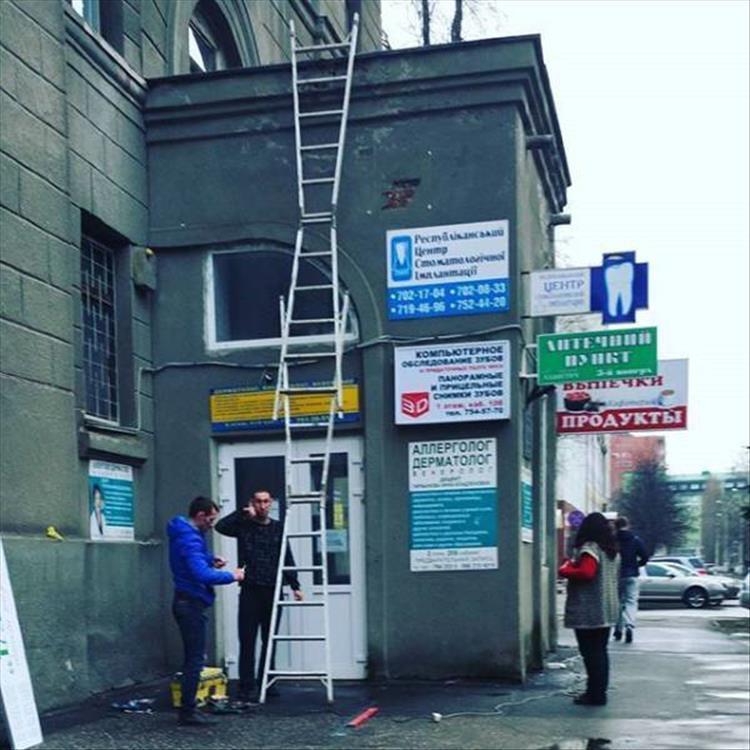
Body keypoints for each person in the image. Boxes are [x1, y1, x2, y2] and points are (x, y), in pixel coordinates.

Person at [215, 489, 303, 703]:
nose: (262, 506)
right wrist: (242, 513)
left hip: (273, 588)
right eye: (258, 502)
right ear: (252, 503)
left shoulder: (278, 527)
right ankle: (246, 686)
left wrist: (295, 585)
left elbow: (286, 555)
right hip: (250, 590)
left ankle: (266, 682)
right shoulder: (244, 526)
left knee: (269, 639)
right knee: (247, 639)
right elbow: (221, 527)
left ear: (271, 503)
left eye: (266, 501)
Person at [167, 496, 245, 726]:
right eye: (210, 520)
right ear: (200, 515)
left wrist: (211, 559)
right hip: (189, 603)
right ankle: (188, 712)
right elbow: (201, 574)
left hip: (186, 602)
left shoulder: (184, 533)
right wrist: (232, 576)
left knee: (193, 658)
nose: (212, 525)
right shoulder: (190, 539)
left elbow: (194, 562)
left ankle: (188, 709)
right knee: (194, 660)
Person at [559, 511, 620, 706]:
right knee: (600, 652)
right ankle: (598, 692)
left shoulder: (590, 548)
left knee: (590, 653)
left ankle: (594, 694)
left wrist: (566, 569)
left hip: (589, 609)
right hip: (607, 608)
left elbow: (586, 572)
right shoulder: (612, 551)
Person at [613, 516, 649, 643]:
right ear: (628, 525)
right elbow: (645, 557)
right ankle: (629, 625)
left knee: (618, 602)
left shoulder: (612, 540)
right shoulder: (635, 540)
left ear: (616, 526)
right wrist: (637, 565)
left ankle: (618, 629)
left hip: (616, 575)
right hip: (632, 574)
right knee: (631, 601)